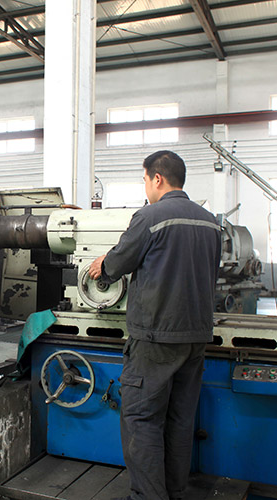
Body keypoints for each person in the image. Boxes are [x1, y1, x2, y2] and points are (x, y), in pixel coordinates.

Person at [88, 151, 222, 500]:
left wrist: (102, 265)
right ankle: (174, 492)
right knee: (180, 420)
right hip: (196, 336)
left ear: (157, 178)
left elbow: (119, 263)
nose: (145, 186)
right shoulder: (211, 223)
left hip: (154, 338)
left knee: (142, 419)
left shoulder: (149, 216)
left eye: (145, 179)